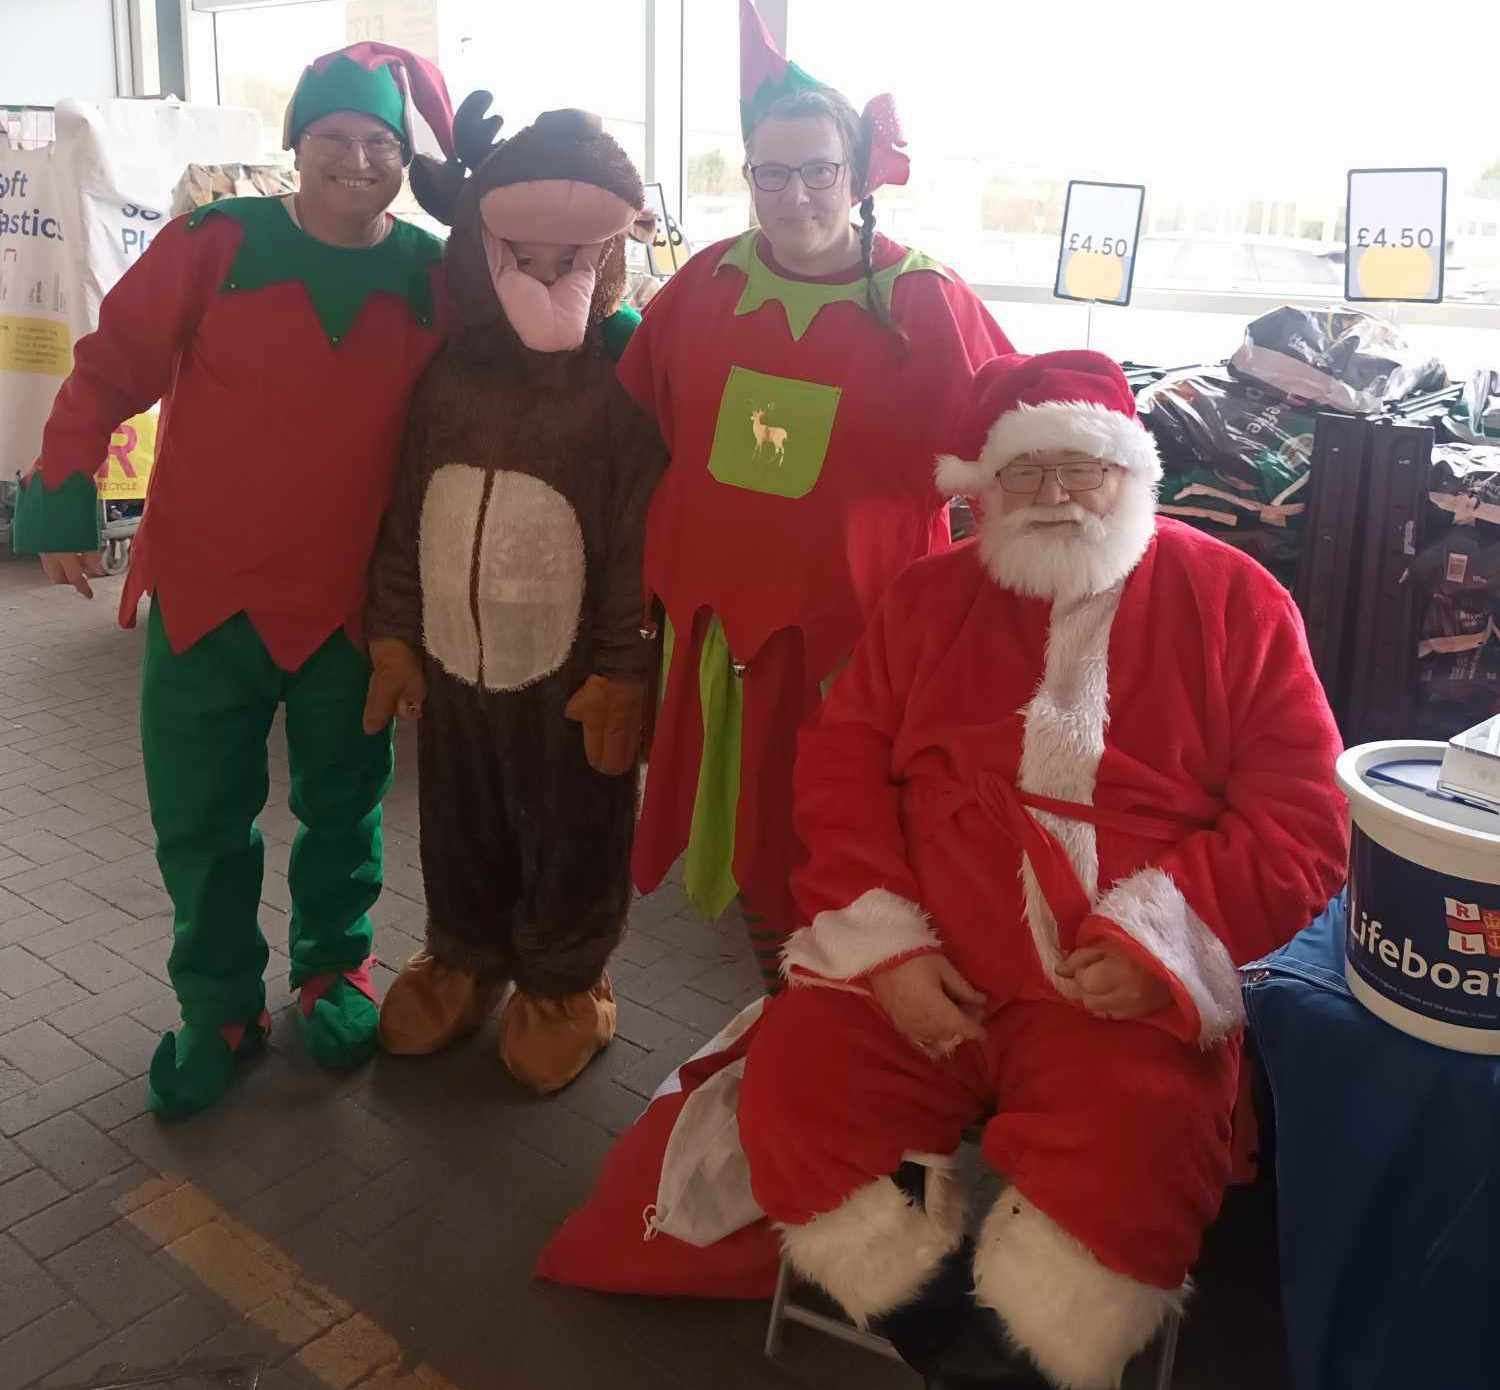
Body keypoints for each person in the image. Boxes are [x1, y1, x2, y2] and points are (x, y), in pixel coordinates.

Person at [738, 351, 1349, 1389]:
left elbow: (1305, 815)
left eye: (1086, 469)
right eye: (1027, 472)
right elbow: (840, 772)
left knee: (1136, 1143)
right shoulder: (928, 600)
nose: (1058, 494)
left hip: (1114, 989)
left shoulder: (1237, 600)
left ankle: (1034, 1355)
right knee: (800, 1086)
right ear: (984, 488)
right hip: (925, 954)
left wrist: (1158, 941)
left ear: (1135, 474)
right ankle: (934, 1331)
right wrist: (886, 950)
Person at [13, 43, 456, 1119]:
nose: (358, 160)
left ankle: (332, 968)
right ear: (297, 145)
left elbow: (525, 359)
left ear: (404, 160)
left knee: (343, 809)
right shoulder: (216, 245)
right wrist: (64, 483)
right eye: (336, 139)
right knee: (201, 817)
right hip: (208, 598)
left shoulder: (434, 275)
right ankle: (216, 1000)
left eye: (381, 144)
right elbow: (112, 360)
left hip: (347, 606)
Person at [619, 0, 1013, 988]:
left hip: (866, 640)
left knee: (866, 844)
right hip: (726, 636)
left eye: (817, 170)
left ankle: (871, 1037)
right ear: (746, 174)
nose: (794, 195)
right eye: (770, 171)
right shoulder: (703, 284)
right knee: (755, 838)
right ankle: (783, 1014)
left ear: (856, 171)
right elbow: (655, 430)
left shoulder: (930, 303)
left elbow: (1008, 463)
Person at [363, 100, 667, 1093]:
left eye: (566, 259)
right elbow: (409, 507)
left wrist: (626, 668)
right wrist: (397, 635)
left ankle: (563, 981)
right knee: (458, 814)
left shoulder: (624, 374)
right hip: (456, 660)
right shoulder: (449, 372)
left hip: (571, 670)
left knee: (573, 824)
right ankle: (463, 950)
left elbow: (637, 537)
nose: (543, 278)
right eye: (520, 257)